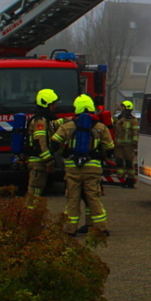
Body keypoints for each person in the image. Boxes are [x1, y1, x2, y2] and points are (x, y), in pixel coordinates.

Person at [51, 94, 115, 237]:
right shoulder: (100, 127)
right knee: (93, 197)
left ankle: (70, 229)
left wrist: (64, 152)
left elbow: (54, 144)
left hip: (72, 169)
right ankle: (101, 228)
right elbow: (110, 148)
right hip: (92, 169)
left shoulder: (67, 126)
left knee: (72, 199)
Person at [24, 88, 67, 208]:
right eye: (53, 104)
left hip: (39, 161)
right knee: (34, 191)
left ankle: (33, 213)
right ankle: (30, 216)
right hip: (38, 162)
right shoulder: (40, 121)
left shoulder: (45, 119)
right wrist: (49, 161)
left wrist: (67, 121)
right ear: (46, 104)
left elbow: (53, 125)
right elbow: (40, 142)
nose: (55, 107)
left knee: (38, 190)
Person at [114, 100, 139, 188]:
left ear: (127, 108)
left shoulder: (133, 120)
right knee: (119, 162)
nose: (121, 108)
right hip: (118, 145)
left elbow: (135, 131)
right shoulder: (118, 118)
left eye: (123, 107)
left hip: (128, 146)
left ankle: (130, 180)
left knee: (129, 163)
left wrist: (135, 142)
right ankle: (120, 179)